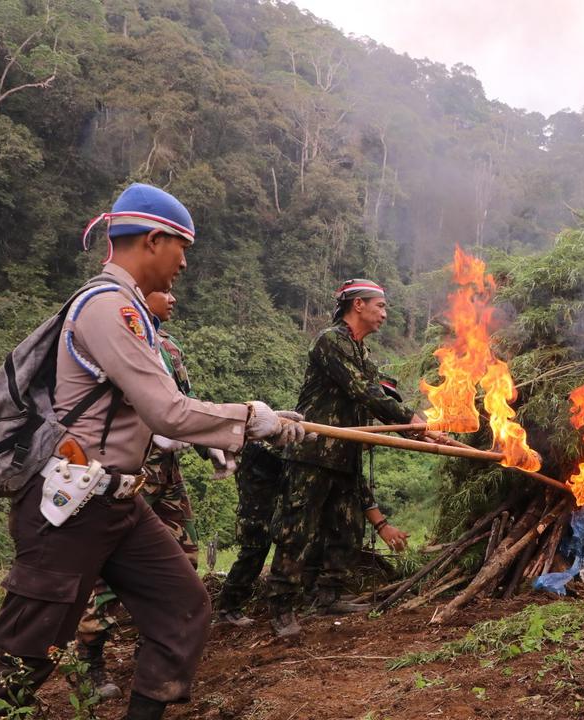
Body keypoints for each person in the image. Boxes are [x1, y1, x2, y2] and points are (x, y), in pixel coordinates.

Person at [0, 183, 306, 720]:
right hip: (69, 511)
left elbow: (143, 416)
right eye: (182, 248)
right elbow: (167, 409)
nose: (185, 263)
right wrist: (251, 418)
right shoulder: (108, 307)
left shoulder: (132, 312)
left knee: (181, 608)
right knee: (24, 658)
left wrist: (217, 432)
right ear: (154, 240)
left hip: (118, 505)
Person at [72, 290, 236, 698]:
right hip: (126, 473)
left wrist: (208, 443)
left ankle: (154, 653)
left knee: (183, 559)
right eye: (164, 290)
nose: (174, 297)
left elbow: (183, 405)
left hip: (167, 476)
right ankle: (88, 663)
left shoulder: (170, 348)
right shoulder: (114, 337)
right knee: (107, 574)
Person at [265, 279, 448, 637]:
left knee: (346, 528)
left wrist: (419, 427)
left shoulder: (361, 352)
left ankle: (327, 596)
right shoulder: (330, 341)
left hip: (346, 455)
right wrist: (410, 420)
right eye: (380, 306)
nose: (384, 314)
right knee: (297, 530)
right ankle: (281, 605)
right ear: (358, 305)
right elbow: (363, 392)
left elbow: (379, 396)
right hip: (314, 452)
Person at [212, 440, 283, 626]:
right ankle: (227, 608)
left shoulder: (254, 446)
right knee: (252, 556)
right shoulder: (252, 448)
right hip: (255, 513)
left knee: (255, 554)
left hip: (265, 509)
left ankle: (229, 608)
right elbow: (273, 460)